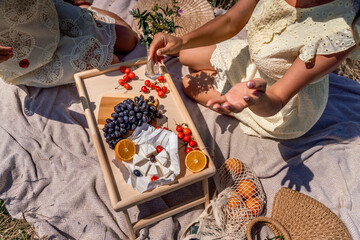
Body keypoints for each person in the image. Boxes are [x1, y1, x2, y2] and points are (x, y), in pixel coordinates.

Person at [148, 0, 359, 139]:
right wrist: (181, 40)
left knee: (188, 84)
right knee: (185, 54)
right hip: (253, 58)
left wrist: (257, 99)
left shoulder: (342, 31)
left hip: (283, 103)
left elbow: (277, 99)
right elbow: (231, 21)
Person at [0, 0, 137, 87]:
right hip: (30, 56)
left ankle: (79, 7)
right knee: (113, 63)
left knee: (129, 40)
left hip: (46, 13)